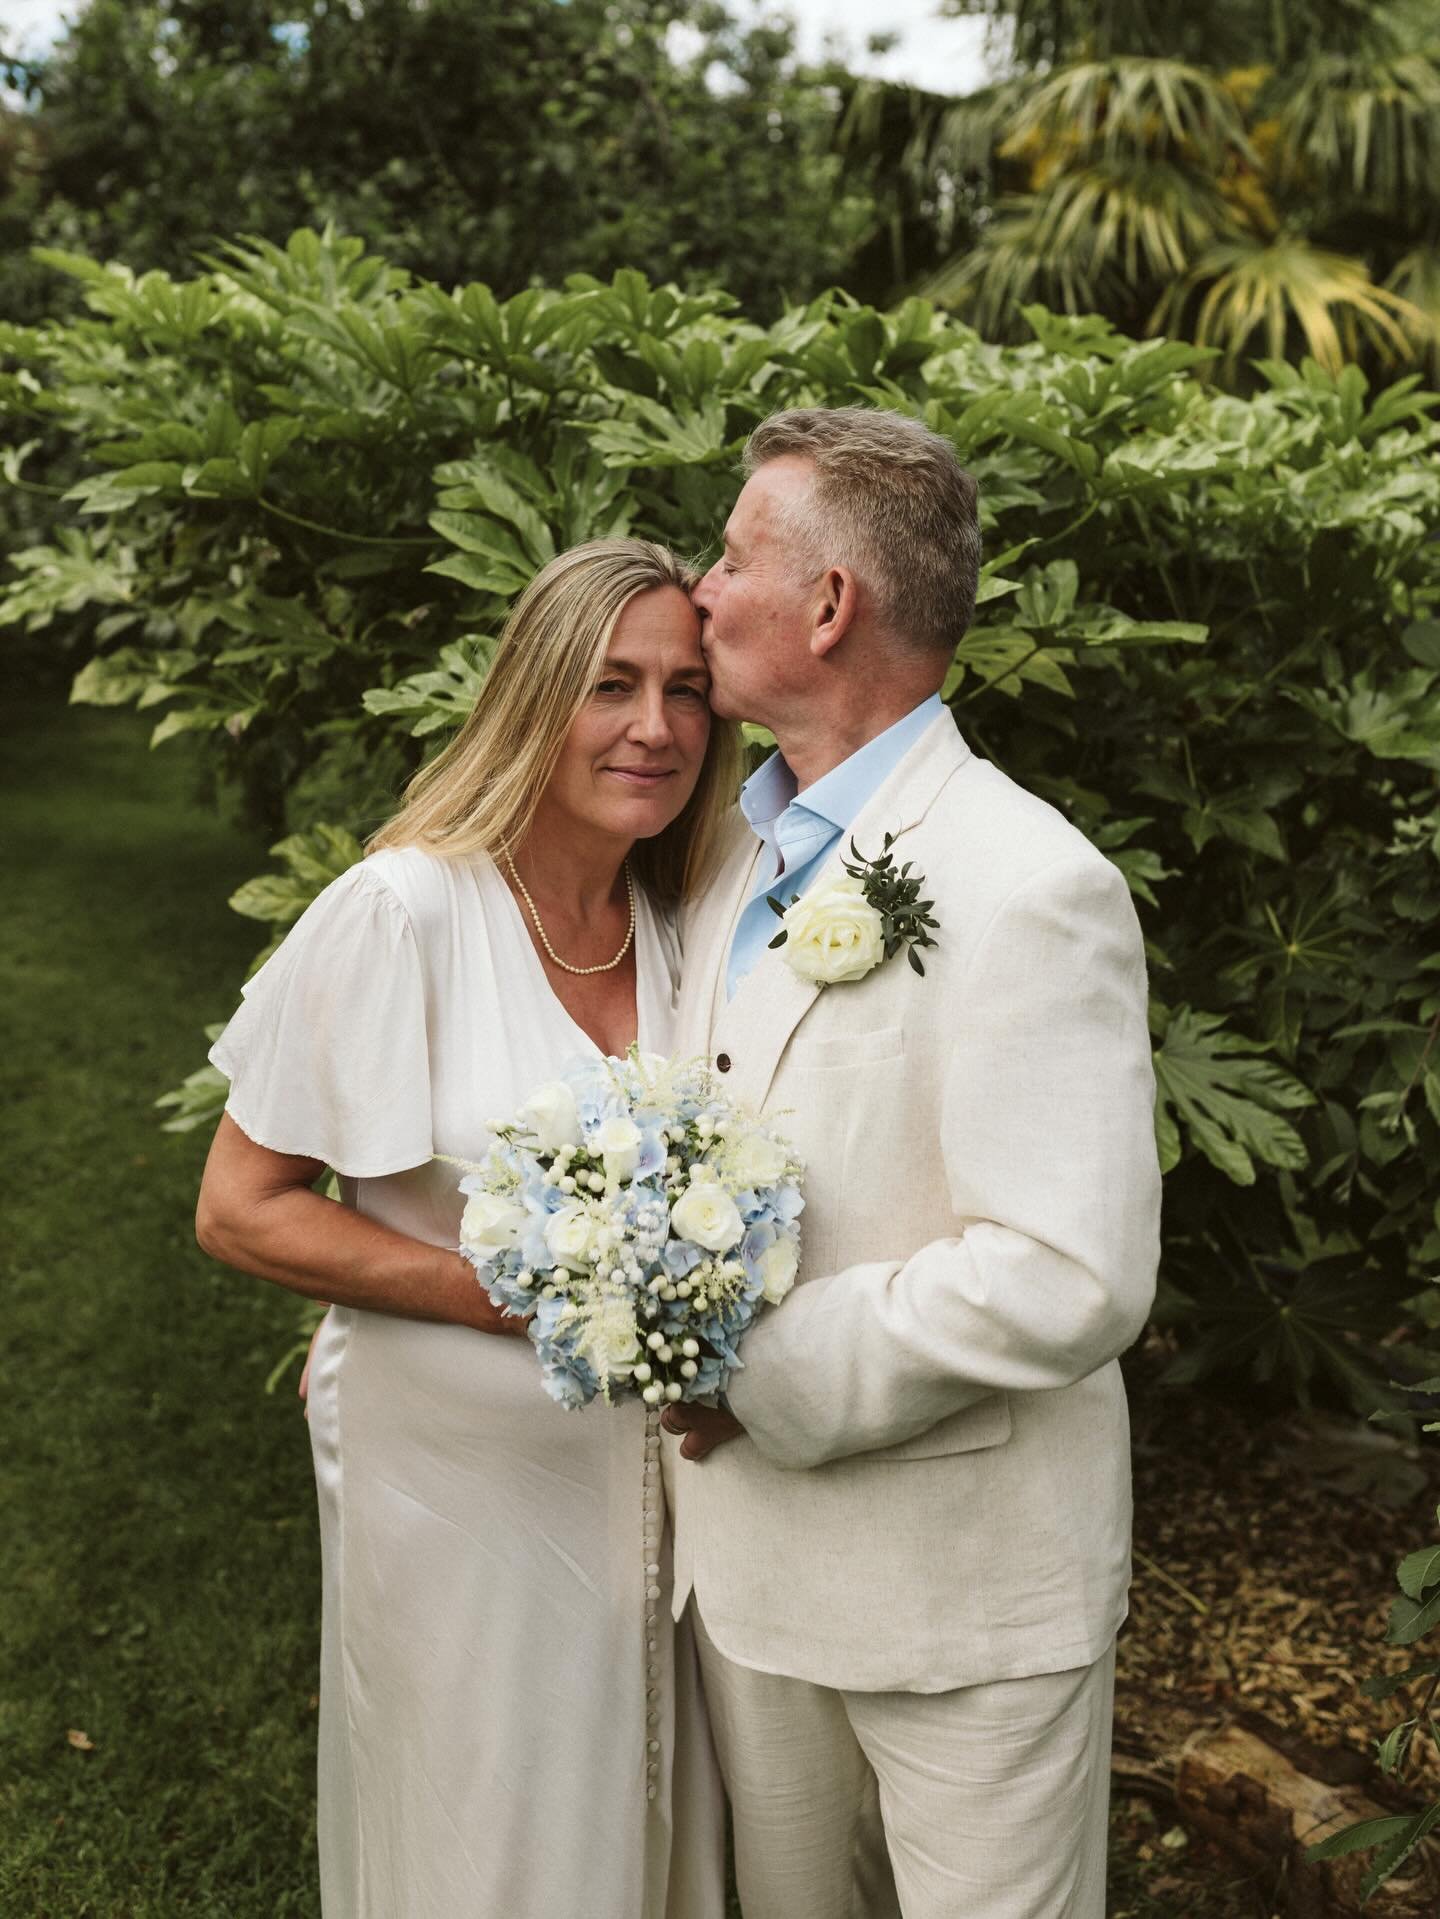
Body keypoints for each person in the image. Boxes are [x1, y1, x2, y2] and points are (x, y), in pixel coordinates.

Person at [660, 407, 1162, 1919]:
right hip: (752, 1586)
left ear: (829, 607)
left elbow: (1072, 1273)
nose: (699, 588)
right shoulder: (730, 855)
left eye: (733, 556)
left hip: (966, 1606)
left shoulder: (1031, 885)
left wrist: (759, 1367)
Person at [196, 538, 735, 1918]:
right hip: (450, 1486)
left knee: (641, 1812)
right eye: (612, 685)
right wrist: (507, 1297)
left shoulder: (684, 924)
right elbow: (243, 1212)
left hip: (658, 1490)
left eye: (687, 690)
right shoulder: (404, 912)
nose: (656, 728)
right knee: (477, 1821)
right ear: (535, 696)